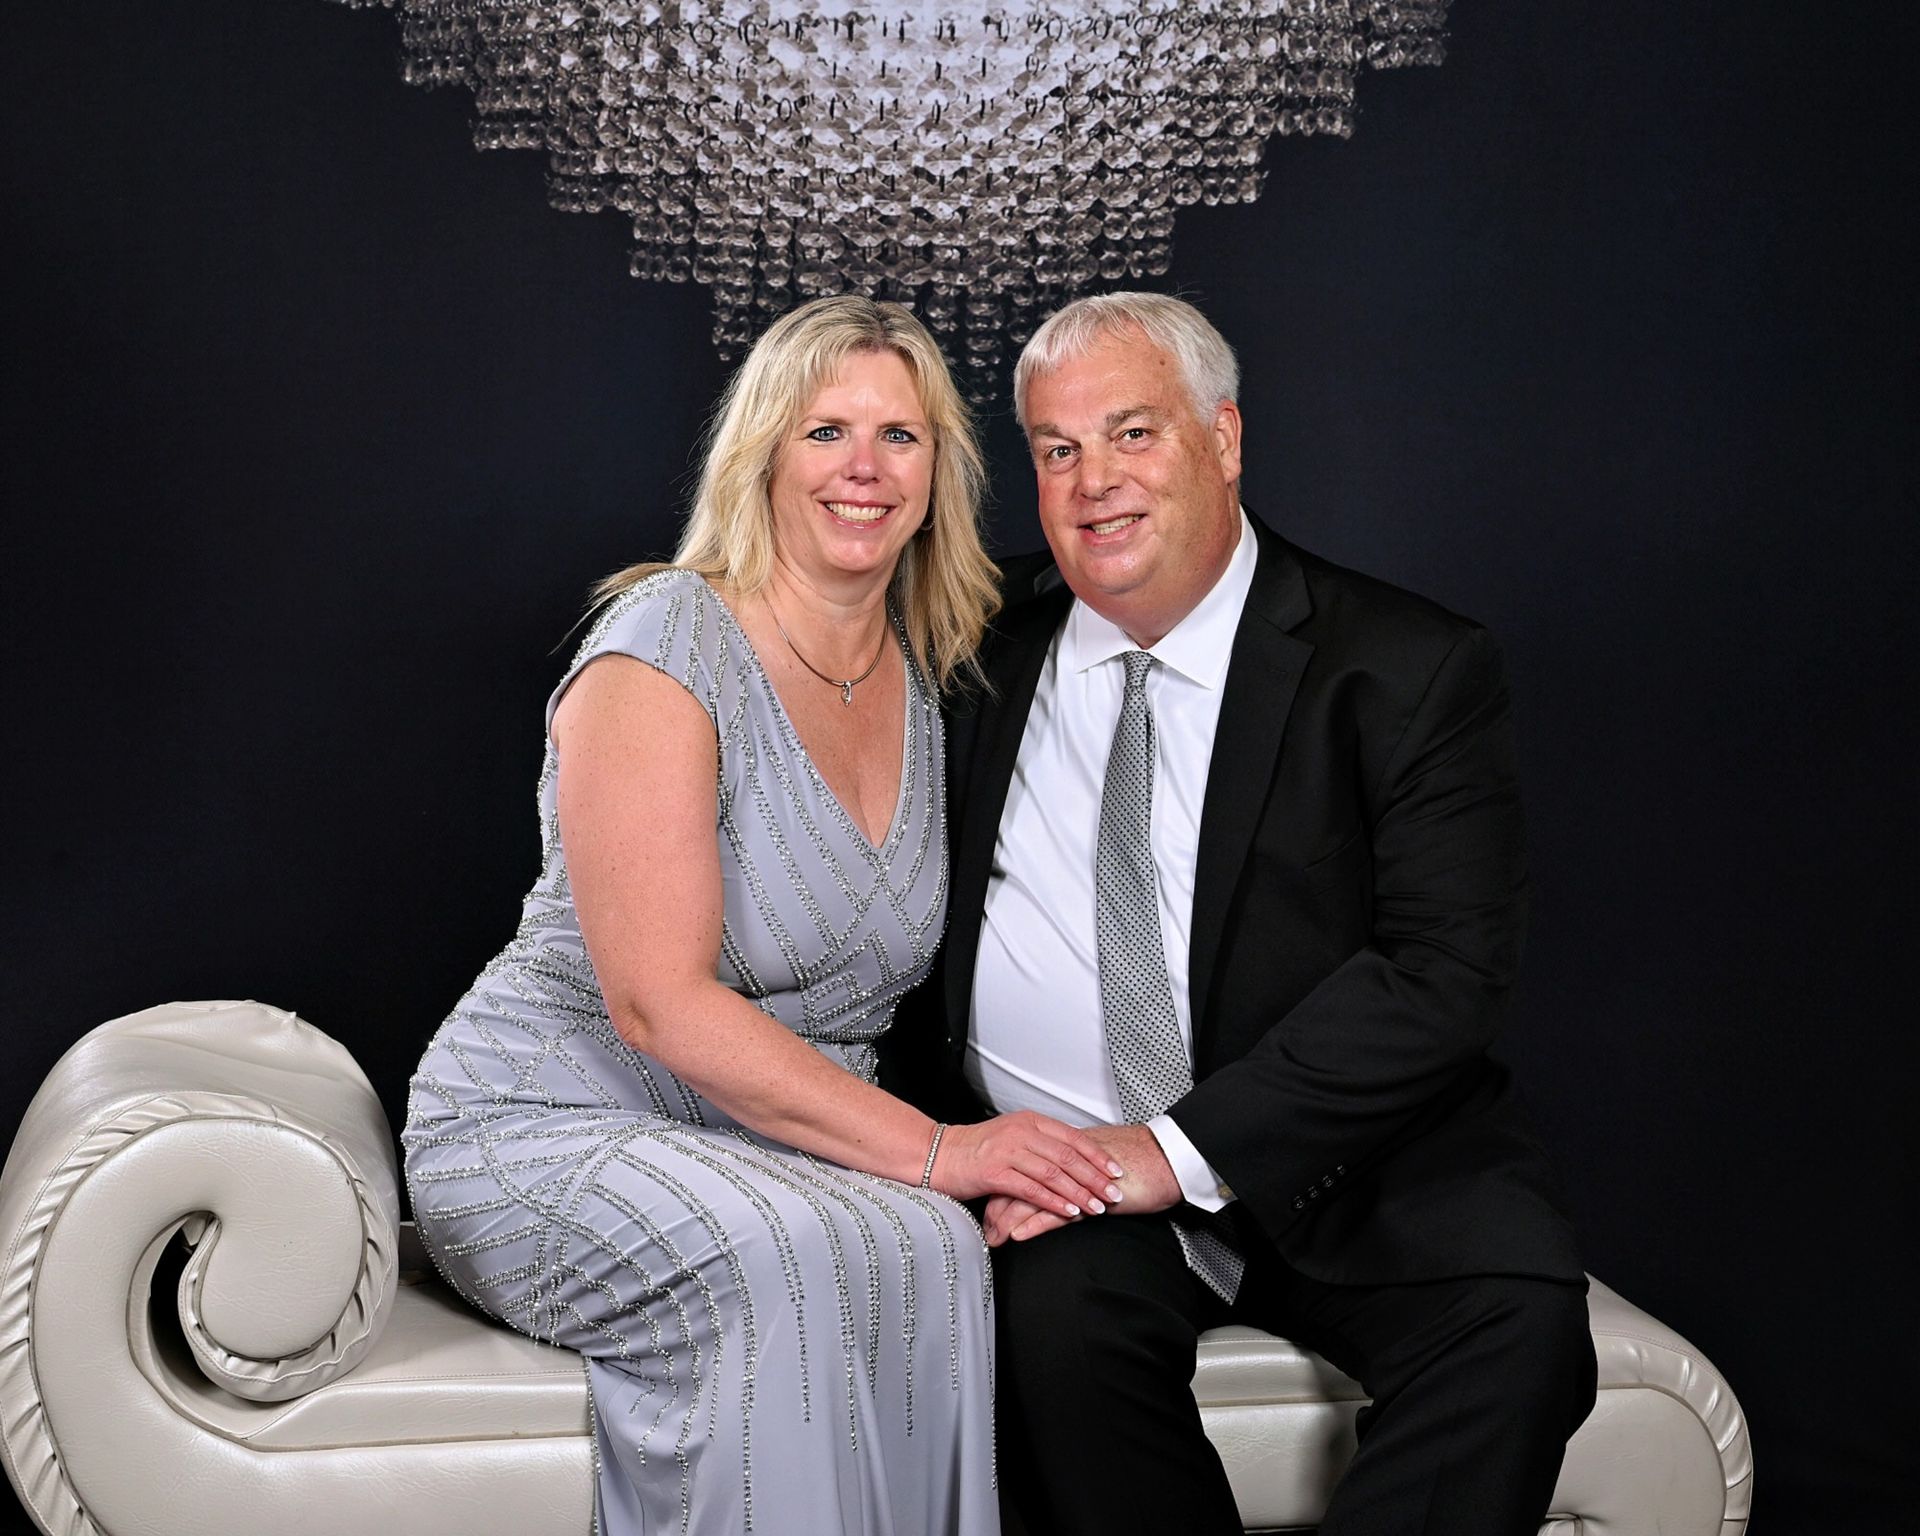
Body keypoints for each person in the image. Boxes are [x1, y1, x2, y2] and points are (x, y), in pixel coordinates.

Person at [402, 295, 1127, 1536]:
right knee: (783, 1255)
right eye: (824, 430)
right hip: (547, 1119)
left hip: (768, 1143)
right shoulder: (663, 640)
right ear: (762, 457)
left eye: (899, 436)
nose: (863, 467)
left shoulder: (928, 664)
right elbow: (656, 1000)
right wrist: (951, 1152)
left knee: (938, 1257)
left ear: (938, 471)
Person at [898, 293, 1597, 1535]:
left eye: (1133, 434)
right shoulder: (967, 644)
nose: (1093, 483)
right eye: (1057, 451)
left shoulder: (1407, 667)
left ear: (1223, 441)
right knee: (1052, 1335)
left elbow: (1445, 973)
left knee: (1522, 1327)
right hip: (1065, 1169)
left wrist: (1172, 1154)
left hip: (1356, 1159)